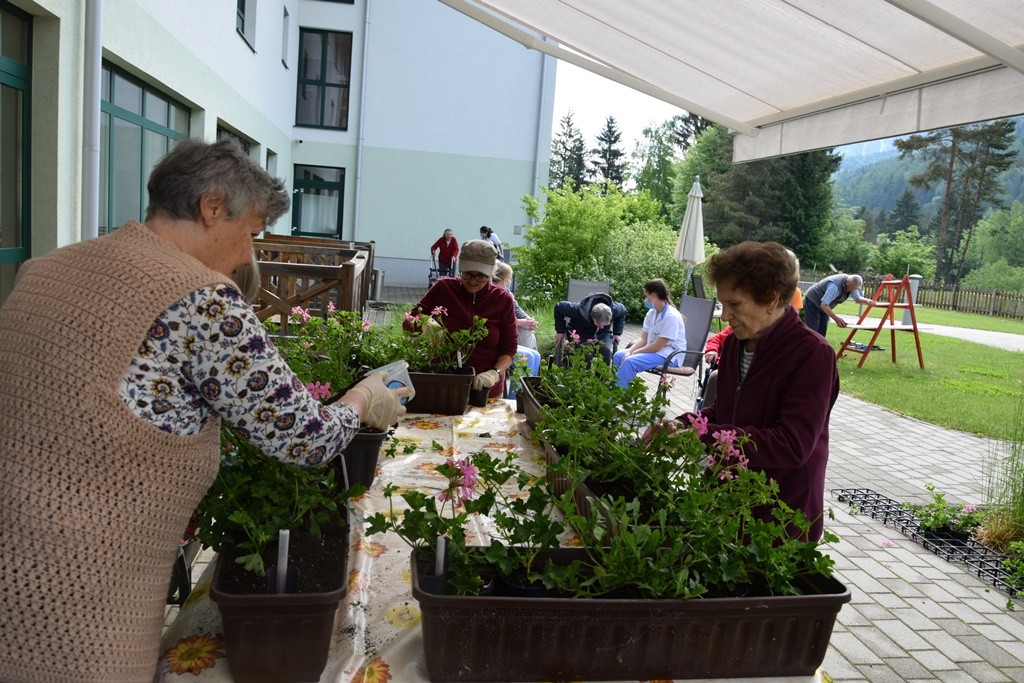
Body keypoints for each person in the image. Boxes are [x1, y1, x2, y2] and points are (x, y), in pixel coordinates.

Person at [0, 139, 411, 682]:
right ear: (212, 207)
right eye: (252, 235)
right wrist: (364, 397)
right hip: (78, 607)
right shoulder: (203, 300)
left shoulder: (47, 268)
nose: (248, 257)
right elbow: (306, 438)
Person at [649, 241, 839, 541]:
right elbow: (725, 411)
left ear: (771, 299)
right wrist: (685, 424)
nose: (725, 316)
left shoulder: (812, 354)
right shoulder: (737, 343)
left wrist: (706, 437)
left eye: (735, 304)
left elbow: (793, 444)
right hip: (726, 504)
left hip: (777, 517)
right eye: (723, 303)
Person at [408, 239, 518, 399]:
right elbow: (409, 322)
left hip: (486, 391)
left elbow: (509, 348)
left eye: (480, 276)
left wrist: (494, 373)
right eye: (467, 274)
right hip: (444, 383)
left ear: (490, 273)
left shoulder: (502, 300)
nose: (472, 281)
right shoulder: (444, 288)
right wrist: (424, 323)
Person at [611, 279, 687, 387]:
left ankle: (615, 397)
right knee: (618, 356)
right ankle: (621, 389)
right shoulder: (651, 313)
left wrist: (634, 353)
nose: (645, 300)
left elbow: (658, 346)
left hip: (669, 356)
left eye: (646, 296)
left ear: (653, 296)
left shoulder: (671, 316)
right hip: (655, 351)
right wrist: (630, 351)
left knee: (630, 362)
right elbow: (643, 339)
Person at [492, 262, 541, 387]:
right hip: (497, 340)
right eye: (509, 279)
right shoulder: (493, 294)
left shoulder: (507, 294)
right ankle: (516, 399)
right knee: (528, 356)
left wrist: (528, 320)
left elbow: (516, 309)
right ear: (504, 279)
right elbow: (495, 318)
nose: (509, 282)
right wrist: (519, 323)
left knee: (535, 356)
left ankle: (528, 392)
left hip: (507, 338)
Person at [553, 291, 627, 365]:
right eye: (599, 324)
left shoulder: (615, 309)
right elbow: (559, 307)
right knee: (587, 351)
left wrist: (617, 333)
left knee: (606, 351)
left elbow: (623, 310)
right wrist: (560, 331)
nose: (601, 327)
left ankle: (602, 376)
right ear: (592, 316)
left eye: (605, 324)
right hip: (580, 332)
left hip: (603, 334)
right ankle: (584, 375)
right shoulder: (577, 310)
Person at [803, 272, 876, 338]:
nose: (852, 291)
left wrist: (867, 301)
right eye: (852, 289)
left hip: (824, 305)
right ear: (847, 283)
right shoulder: (834, 287)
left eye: (855, 289)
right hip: (813, 300)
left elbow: (857, 299)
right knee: (813, 330)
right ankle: (807, 350)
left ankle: (819, 351)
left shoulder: (852, 284)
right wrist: (836, 319)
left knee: (822, 330)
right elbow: (824, 304)